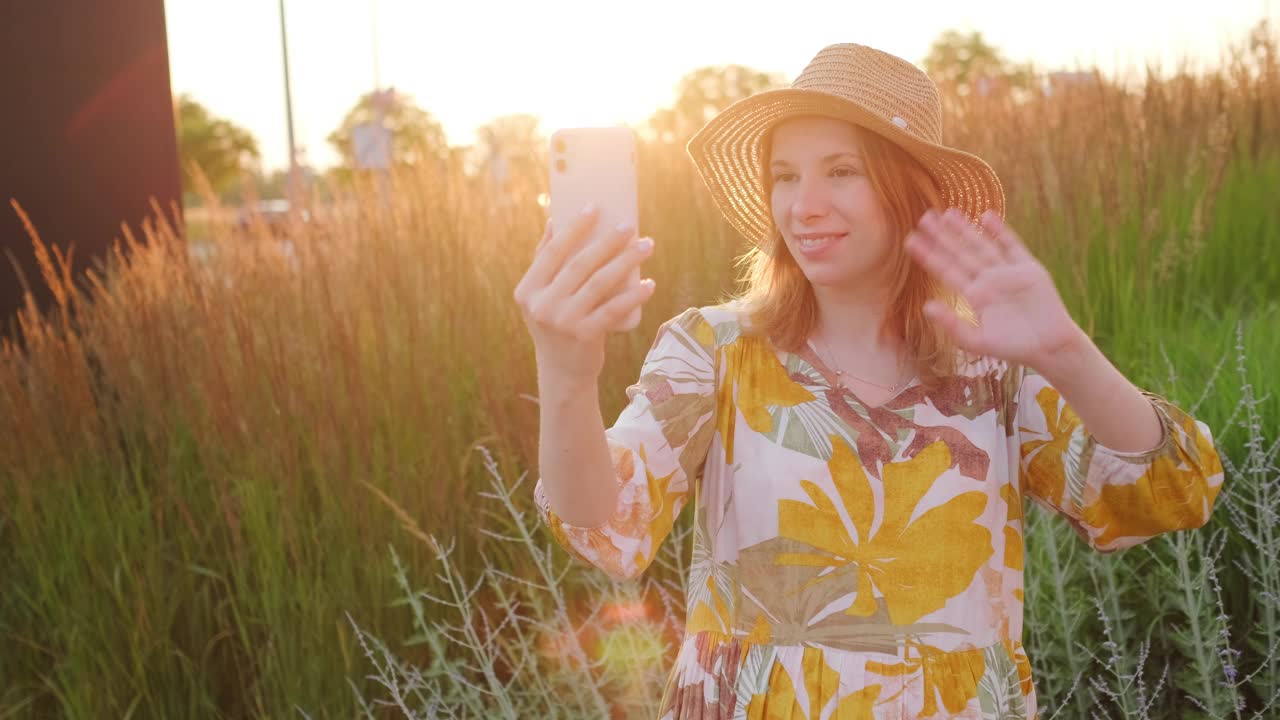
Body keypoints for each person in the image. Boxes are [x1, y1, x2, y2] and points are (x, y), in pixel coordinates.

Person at [514, 43, 1224, 719]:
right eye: (785, 176)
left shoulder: (994, 367)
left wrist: (1067, 352)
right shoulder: (716, 349)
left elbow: (1169, 496)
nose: (803, 204)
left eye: (840, 171)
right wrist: (568, 377)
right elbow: (603, 526)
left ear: (908, 191)